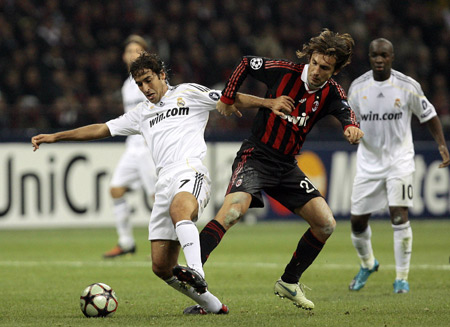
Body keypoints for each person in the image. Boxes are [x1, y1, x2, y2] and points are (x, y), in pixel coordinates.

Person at [192, 29, 364, 310]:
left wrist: (351, 128)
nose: (318, 72)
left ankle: (289, 281)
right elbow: (247, 62)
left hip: (287, 167)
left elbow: (347, 113)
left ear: (334, 70)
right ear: (311, 57)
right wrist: (228, 96)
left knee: (326, 224)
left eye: (326, 68)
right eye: (316, 63)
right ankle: (194, 270)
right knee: (234, 210)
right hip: (256, 155)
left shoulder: (331, 92)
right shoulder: (285, 71)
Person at [347, 38, 450, 293]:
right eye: (374, 55)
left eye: (384, 55)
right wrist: (350, 132)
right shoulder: (358, 88)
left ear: (392, 57)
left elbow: (430, 115)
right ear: (369, 57)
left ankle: (402, 278)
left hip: (399, 161)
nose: (379, 59)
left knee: (399, 215)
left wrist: (441, 144)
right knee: (357, 223)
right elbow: (348, 120)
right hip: (368, 162)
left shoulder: (407, 86)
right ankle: (368, 263)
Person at [103, 35, 157, 259]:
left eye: (137, 50)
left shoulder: (152, 78)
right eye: (128, 51)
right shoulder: (128, 84)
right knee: (116, 189)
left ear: (145, 54)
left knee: (158, 197)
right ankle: (126, 242)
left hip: (148, 146)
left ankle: (170, 241)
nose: (132, 54)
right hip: (132, 146)